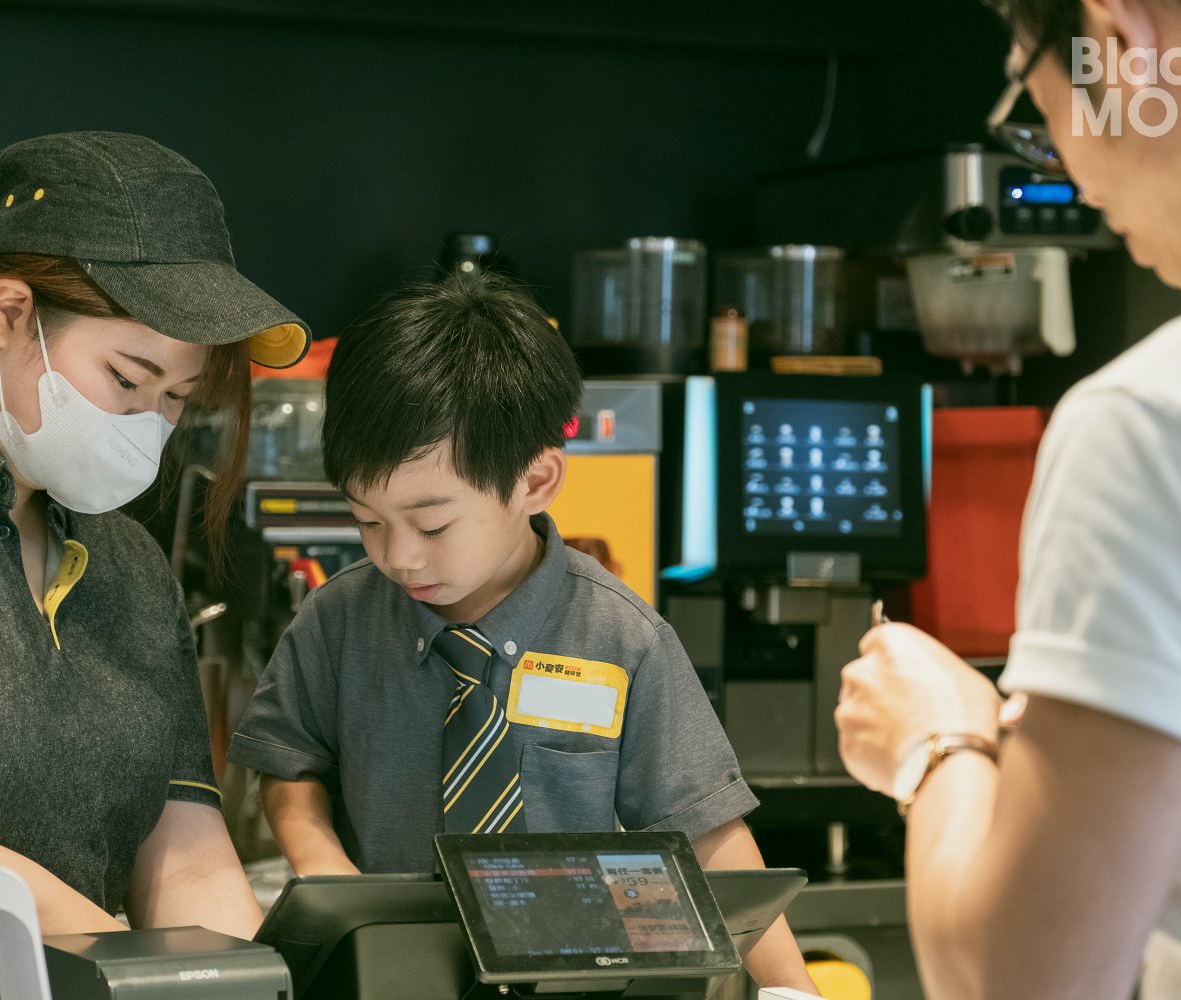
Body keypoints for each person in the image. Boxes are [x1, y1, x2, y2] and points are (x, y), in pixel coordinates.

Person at [834, 2, 1181, 999]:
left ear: (1119, 43)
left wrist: (937, 740)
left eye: (1030, 92)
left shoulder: (1176, 415)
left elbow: (1028, 977)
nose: (1056, 154)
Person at [228, 273, 817, 993]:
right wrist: (326, 869)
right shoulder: (339, 620)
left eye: (433, 525)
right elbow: (289, 763)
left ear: (534, 483)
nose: (399, 556)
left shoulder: (622, 637)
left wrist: (793, 989)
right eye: (367, 521)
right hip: (389, 977)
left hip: (574, 979)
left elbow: (708, 828)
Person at [0, 131, 311, 998]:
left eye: (176, 399)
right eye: (127, 379)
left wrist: (249, 980)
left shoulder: (128, 564)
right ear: (10, 313)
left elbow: (183, 852)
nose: (148, 427)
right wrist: (47, 911)